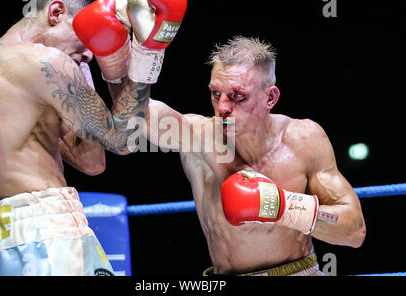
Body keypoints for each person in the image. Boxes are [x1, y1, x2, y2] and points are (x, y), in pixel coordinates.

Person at [0, 0, 186, 276]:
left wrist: (84, 76)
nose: (91, 53)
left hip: (2, 246)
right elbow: (122, 141)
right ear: (56, 12)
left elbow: (92, 162)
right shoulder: (46, 62)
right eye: (88, 38)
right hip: (52, 238)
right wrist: (147, 54)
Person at [141, 36, 366, 276]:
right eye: (216, 94)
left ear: (270, 98)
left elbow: (353, 230)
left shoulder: (303, 139)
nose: (223, 107)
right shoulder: (197, 136)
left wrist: (282, 207)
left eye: (237, 96)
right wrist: (124, 57)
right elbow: (136, 115)